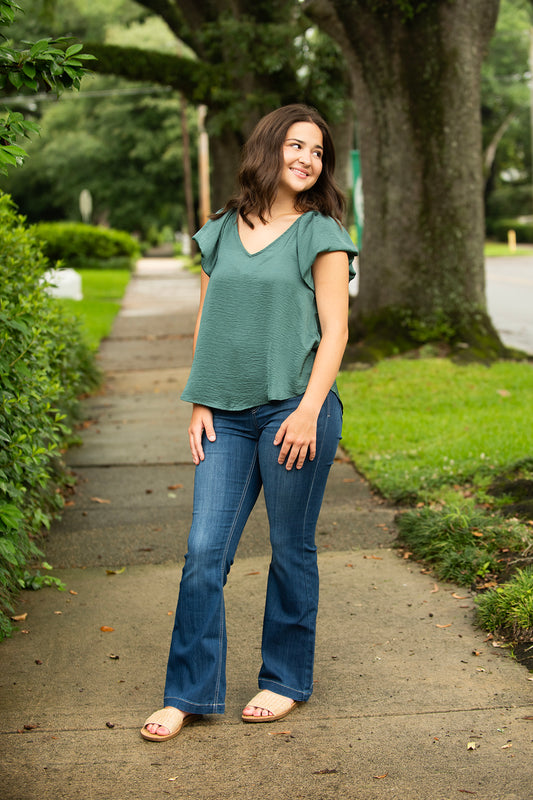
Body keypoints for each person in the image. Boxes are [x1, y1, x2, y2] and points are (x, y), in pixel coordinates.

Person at [141, 104, 357, 742]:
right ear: (268, 148)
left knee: (291, 549)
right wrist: (199, 399)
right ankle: (187, 693)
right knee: (204, 553)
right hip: (227, 417)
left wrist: (310, 411)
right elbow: (208, 322)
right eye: (296, 145)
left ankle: (284, 680)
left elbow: (336, 331)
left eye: (317, 151)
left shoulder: (320, 232)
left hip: (296, 409)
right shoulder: (221, 230)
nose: (307, 158)